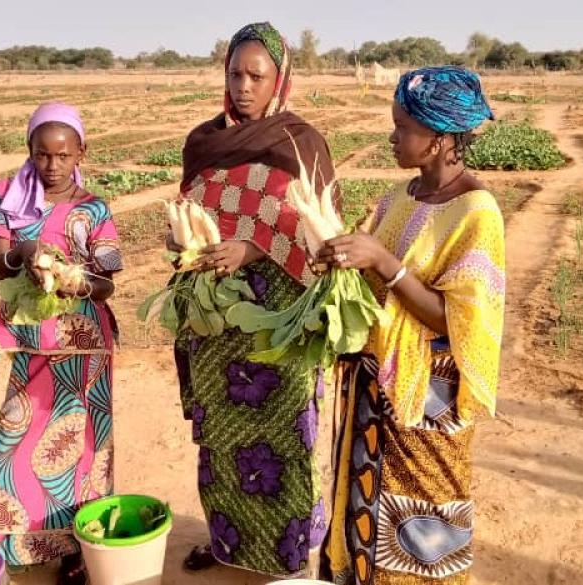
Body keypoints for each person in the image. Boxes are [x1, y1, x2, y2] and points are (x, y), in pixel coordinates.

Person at [317, 66, 505, 584]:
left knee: (422, 521)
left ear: (442, 139)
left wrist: (384, 263)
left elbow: (459, 321)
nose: (393, 137)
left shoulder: (476, 212)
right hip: (376, 388)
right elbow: (372, 277)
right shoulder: (401, 198)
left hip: (429, 398)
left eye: (403, 127)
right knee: (364, 506)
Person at [172, 21, 335, 579]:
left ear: (279, 79)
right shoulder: (203, 142)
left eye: (256, 75)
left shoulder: (299, 143)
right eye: (234, 73)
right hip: (214, 321)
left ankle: (288, 557)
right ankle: (226, 544)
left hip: (277, 322)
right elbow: (191, 210)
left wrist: (255, 248)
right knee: (219, 437)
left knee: (284, 438)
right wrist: (187, 239)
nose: (243, 85)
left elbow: (321, 233)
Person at [0, 102, 120, 585]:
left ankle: (80, 548)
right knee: (17, 438)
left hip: (84, 347)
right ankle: (18, 541)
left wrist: (75, 281)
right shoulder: (7, 196)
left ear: (80, 152)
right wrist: (23, 252)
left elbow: (107, 284)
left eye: (63, 155)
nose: (52, 165)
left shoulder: (94, 209)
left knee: (84, 449)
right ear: (30, 151)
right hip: (31, 341)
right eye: (42, 154)